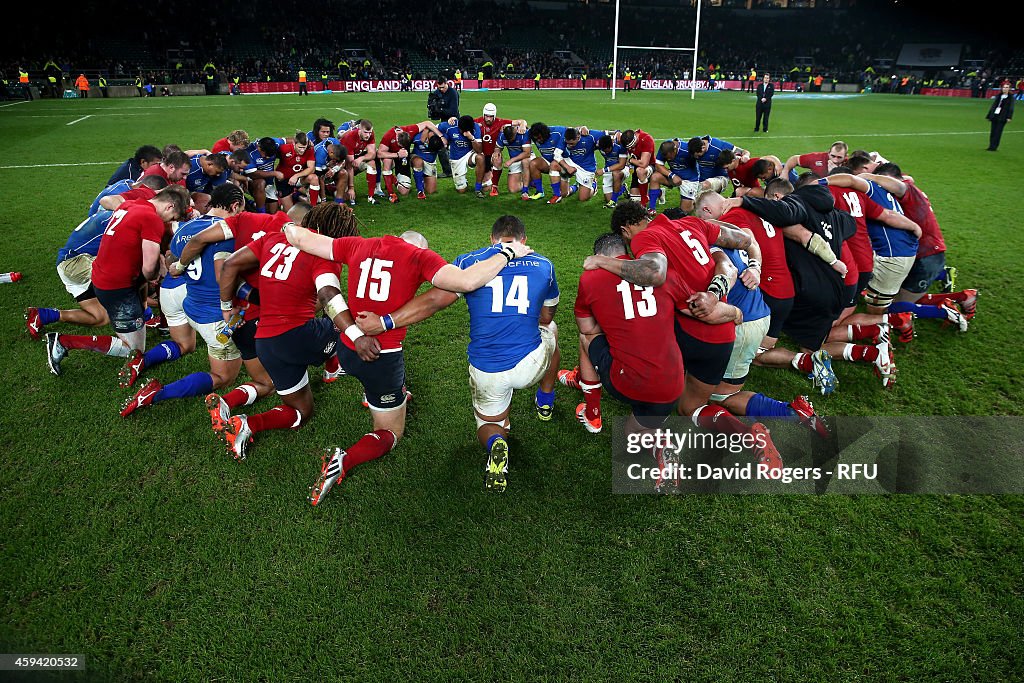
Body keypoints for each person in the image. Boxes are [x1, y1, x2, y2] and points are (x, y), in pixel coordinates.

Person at [283, 216, 533, 504]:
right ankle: (345, 460)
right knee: (390, 430)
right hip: (380, 355)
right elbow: (466, 281)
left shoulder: (358, 245)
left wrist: (284, 226)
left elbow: (301, 238)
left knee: (376, 380)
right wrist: (508, 252)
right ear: (421, 245)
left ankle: (378, 393)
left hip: (348, 346)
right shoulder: (418, 256)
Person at [353, 216, 559, 493]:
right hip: (530, 362)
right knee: (551, 329)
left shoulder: (468, 261)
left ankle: (497, 443)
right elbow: (546, 315)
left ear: (491, 239)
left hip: (487, 368)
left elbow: (435, 300)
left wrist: (385, 322)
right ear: (523, 240)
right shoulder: (543, 264)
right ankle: (545, 399)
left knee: (488, 424)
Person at [587, 202, 783, 473]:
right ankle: (749, 435)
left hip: (687, 331)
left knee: (646, 368)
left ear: (626, 230)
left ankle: (653, 433)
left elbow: (654, 273)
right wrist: (732, 303)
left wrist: (602, 261)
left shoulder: (646, 237)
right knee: (691, 406)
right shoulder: (693, 223)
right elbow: (744, 239)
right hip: (721, 339)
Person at [120, 184, 275, 417]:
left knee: (188, 345)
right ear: (235, 206)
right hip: (215, 316)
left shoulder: (187, 227)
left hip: (190, 305)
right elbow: (224, 272)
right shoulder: (227, 234)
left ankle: (145, 363)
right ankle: (157, 394)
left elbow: (174, 257)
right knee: (224, 377)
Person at [45, 186, 191, 376]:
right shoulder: (151, 219)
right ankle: (64, 342)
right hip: (117, 286)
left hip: (105, 276)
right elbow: (148, 269)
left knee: (133, 321)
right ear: (170, 206)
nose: (169, 222)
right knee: (134, 351)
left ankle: (141, 320)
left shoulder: (130, 205)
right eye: (172, 218)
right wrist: (158, 275)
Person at [376, 121, 443, 203]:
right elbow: (379, 153)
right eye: (401, 146)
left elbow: (427, 123)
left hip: (404, 160)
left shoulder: (410, 130)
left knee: (405, 191)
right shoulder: (389, 136)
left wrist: (441, 136)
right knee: (387, 160)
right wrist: (397, 154)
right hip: (393, 158)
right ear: (397, 139)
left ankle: (393, 179)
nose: (403, 148)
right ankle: (391, 194)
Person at [442, 115, 485, 196]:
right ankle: (464, 183)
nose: (463, 133)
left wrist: (472, 138)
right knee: (461, 190)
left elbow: (479, 150)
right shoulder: (450, 126)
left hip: (470, 153)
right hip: (456, 157)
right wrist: (442, 137)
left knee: (480, 157)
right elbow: (434, 127)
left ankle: (478, 188)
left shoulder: (475, 127)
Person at [339, 120, 378, 205]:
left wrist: (362, 158)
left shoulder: (370, 134)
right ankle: (332, 186)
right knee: (344, 197)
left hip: (355, 161)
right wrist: (351, 188)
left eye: (370, 132)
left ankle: (371, 197)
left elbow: (372, 153)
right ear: (359, 129)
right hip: (342, 167)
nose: (368, 135)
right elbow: (349, 166)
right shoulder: (350, 137)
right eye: (365, 132)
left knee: (372, 163)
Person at [428, 77, 459, 177]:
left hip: (453, 122)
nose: (441, 90)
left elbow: (453, 111)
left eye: (442, 87)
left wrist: (440, 109)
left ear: (447, 83)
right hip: (443, 122)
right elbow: (432, 102)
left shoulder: (453, 93)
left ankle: (452, 170)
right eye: (439, 87)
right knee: (440, 144)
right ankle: (447, 171)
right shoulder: (438, 92)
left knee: (450, 145)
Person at [782, 141, 848, 180]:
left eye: (839, 157)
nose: (835, 160)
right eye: (832, 156)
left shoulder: (850, 164)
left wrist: (834, 172)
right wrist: (785, 172)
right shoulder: (818, 158)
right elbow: (795, 159)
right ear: (828, 152)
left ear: (845, 156)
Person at [986, 81, 1014, 151]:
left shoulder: (1010, 97)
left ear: (1009, 89)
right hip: (995, 115)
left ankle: (994, 147)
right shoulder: (999, 96)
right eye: (1004, 87)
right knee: (993, 131)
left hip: (1003, 116)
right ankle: (991, 145)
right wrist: (989, 115)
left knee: (998, 132)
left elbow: (1011, 108)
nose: (1005, 89)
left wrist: (1009, 117)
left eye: (1007, 87)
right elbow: (993, 106)